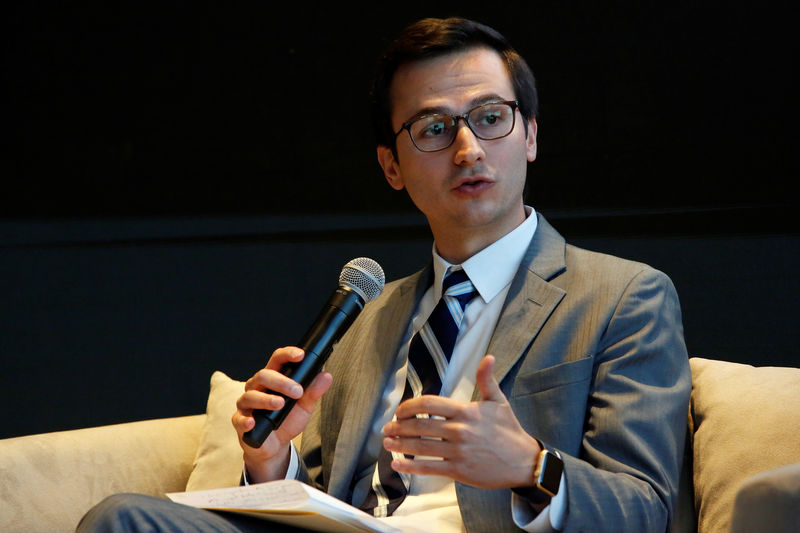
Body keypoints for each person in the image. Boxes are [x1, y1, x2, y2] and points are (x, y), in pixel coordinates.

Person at [78, 16, 691, 533]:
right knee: (126, 518)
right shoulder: (373, 309)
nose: (468, 148)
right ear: (391, 167)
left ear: (529, 135)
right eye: (433, 128)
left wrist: (529, 465)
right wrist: (271, 460)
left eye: (490, 117)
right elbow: (320, 494)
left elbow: (646, 507)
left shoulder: (624, 296)